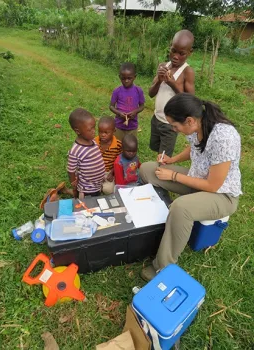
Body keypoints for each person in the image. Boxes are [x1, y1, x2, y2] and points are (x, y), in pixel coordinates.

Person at [140, 93, 242, 281]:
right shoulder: (196, 126)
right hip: (198, 179)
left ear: (189, 120)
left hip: (222, 195)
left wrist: (174, 175)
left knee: (181, 208)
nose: (173, 129)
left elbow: (212, 185)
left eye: (175, 125)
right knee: (148, 169)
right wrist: (172, 160)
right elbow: (194, 147)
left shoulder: (224, 137)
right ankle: (159, 216)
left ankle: (163, 267)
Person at [149, 29, 195, 157]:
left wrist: (172, 83)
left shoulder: (187, 72)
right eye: (173, 51)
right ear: (170, 47)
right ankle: (157, 169)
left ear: (189, 53)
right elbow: (151, 93)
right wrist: (159, 80)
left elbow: (190, 102)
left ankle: (161, 172)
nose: (176, 56)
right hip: (156, 118)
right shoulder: (164, 66)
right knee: (156, 148)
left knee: (164, 157)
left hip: (170, 124)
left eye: (181, 53)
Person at [67, 108, 105, 199]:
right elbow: (70, 170)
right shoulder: (75, 151)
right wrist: (74, 184)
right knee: (88, 207)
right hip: (86, 189)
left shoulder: (93, 141)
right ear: (78, 131)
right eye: (90, 129)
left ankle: (65, 190)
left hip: (97, 185)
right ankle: (70, 193)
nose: (94, 131)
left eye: (94, 127)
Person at [110, 62, 145, 141]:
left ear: (134, 77)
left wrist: (135, 112)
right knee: (117, 146)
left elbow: (142, 106)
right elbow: (111, 106)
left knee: (130, 147)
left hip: (132, 126)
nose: (126, 81)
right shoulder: (117, 91)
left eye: (129, 78)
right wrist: (119, 113)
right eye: (123, 78)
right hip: (119, 126)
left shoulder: (138, 91)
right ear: (120, 77)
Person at [94, 116, 122, 194]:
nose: (103, 135)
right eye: (100, 132)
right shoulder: (93, 143)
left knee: (108, 190)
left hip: (109, 172)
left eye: (106, 132)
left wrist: (112, 172)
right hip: (95, 171)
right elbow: (91, 161)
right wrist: (97, 174)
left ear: (114, 131)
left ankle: (102, 187)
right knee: (92, 190)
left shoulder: (118, 145)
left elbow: (119, 161)